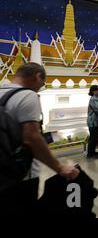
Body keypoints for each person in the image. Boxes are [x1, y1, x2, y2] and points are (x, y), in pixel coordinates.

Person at [0, 63, 79, 216]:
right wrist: (60, 168)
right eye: (42, 83)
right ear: (37, 76)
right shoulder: (27, 95)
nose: (41, 87)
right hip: (19, 176)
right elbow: (31, 137)